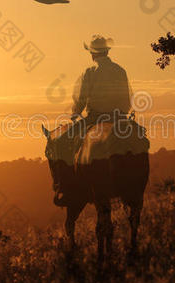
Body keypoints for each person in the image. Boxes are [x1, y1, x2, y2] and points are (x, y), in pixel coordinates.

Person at [51, 34, 133, 206]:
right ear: (107, 51)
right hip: (120, 117)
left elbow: (81, 98)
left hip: (95, 117)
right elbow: (126, 97)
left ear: (93, 53)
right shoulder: (120, 70)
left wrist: (75, 113)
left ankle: (65, 188)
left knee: (60, 141)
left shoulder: (89, 72)